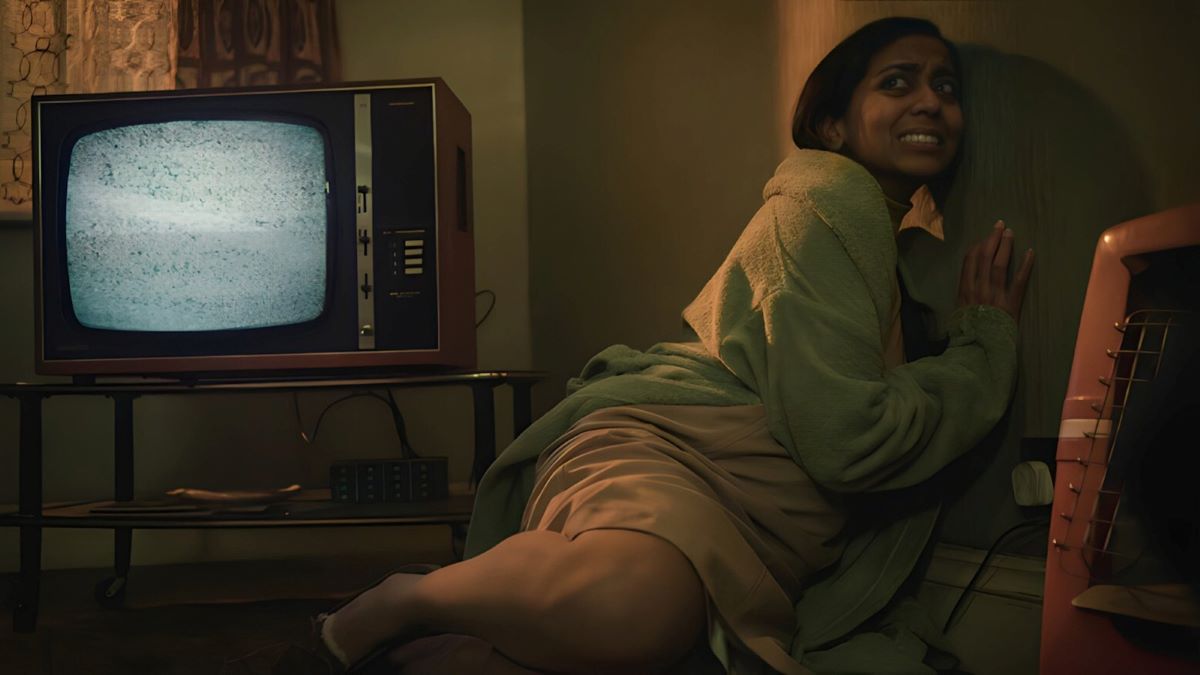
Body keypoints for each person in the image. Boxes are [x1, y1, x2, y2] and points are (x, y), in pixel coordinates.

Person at [248, 15, 1034, 675]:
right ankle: (400, 598)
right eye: (897, 81)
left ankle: (474, 620)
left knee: (624, 632)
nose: (929, 100)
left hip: (759, 516)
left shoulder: (894, 259)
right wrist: (983, 347)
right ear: (833, 123)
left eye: (946, 85)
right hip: (676, 455)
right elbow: (847, 440)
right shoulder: (823, 202)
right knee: (633, 612)